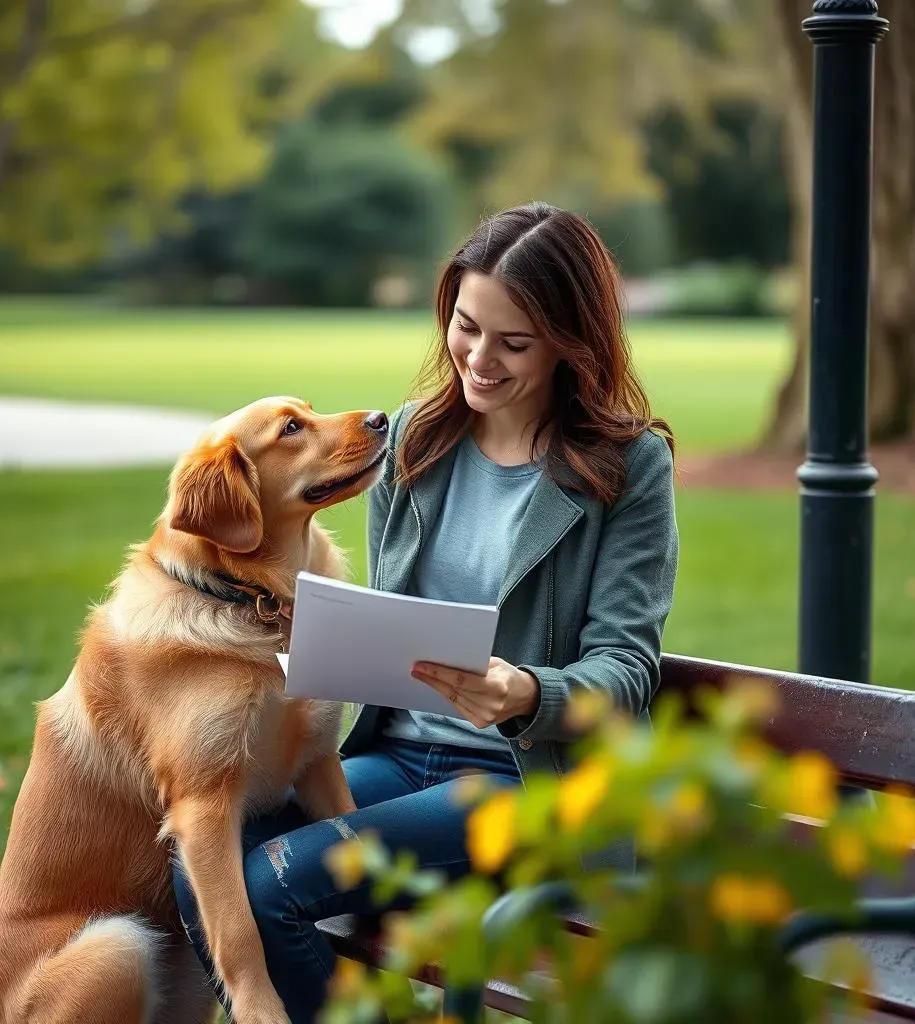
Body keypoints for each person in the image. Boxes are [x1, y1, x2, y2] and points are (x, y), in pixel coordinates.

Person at [172, 201, 679, 1023]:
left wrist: (526, 695)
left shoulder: (627, 468)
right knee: (207, 858)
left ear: (569, 343)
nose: (478, 359)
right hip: (399, 758)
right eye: (465, 326)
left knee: (269, 884)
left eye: (513, 343)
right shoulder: (411, 443)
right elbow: (380, 624)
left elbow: (626, 672)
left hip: (525, 783)